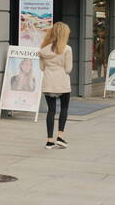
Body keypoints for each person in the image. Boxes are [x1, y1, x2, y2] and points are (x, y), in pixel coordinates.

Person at [39, 22, 73, 150]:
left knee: (51, 110)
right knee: (64, 108)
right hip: (62, 82)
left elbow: (41, 68)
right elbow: (68, 69)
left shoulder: (43, 50)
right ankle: (60, 136)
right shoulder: (67, 49)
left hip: (48, 81)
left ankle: (49, 141)